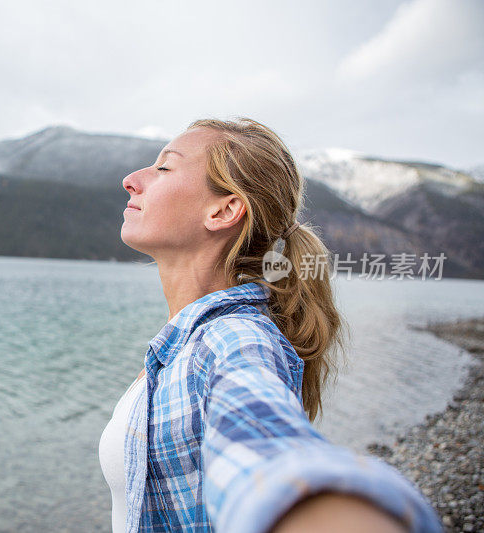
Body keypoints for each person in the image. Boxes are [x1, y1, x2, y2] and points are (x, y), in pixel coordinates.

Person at [98, 117, 442, 533]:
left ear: (224, 210)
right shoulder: (183, 343)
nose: (131, 180)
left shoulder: (234, 339)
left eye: (164, 168)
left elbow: (264, 445)